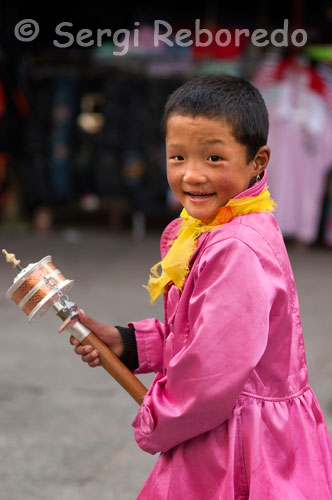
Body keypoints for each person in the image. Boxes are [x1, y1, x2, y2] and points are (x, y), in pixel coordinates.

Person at [70, 75, 332, 499]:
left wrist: (161, 418)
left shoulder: (235, 246)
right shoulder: (220, 226)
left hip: (238, 442)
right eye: (177, 156)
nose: (192, 175)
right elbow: (205, 332)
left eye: (213, 157)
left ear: (257, 161)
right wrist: (128, 344)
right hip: (243, 427)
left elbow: (212, 373)